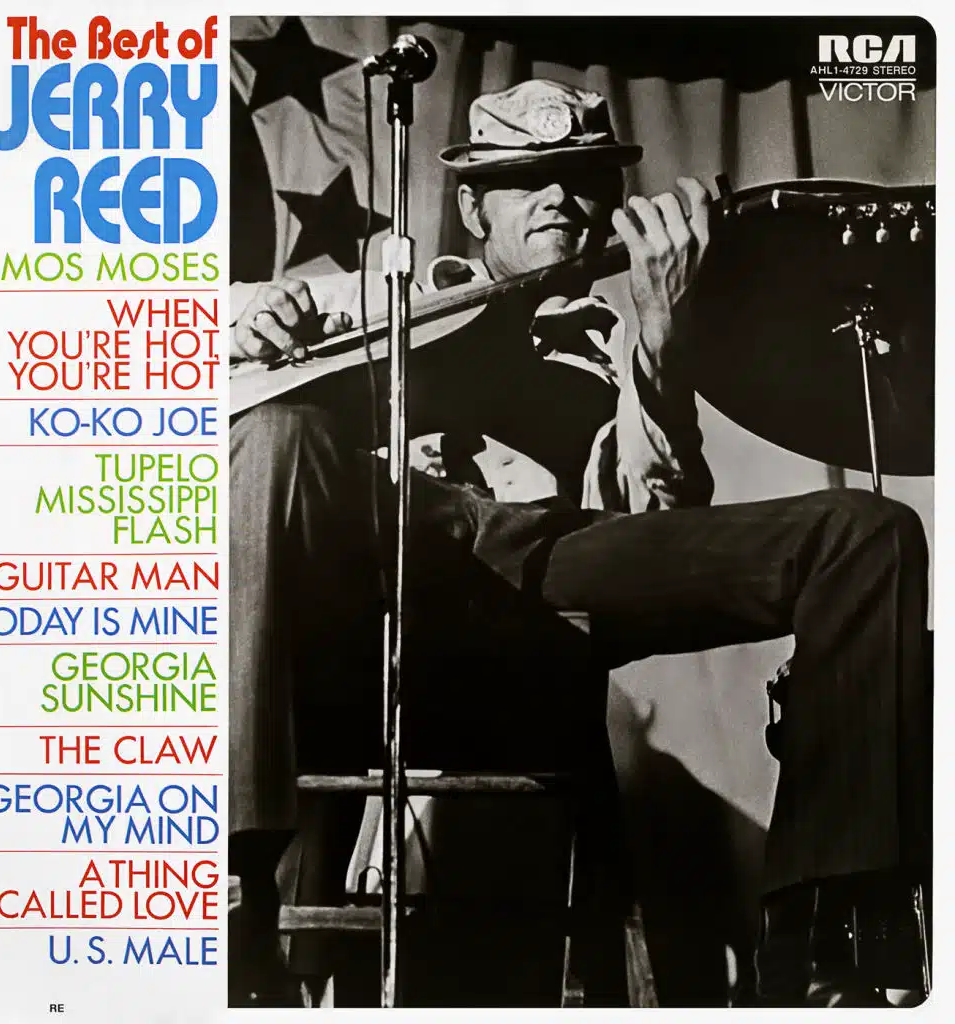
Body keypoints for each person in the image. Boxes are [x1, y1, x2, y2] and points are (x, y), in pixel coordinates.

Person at [228, 80, 930, 1007]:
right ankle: (228, 885)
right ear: (474, 208)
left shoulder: (614, 344)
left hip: (537, 576)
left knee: (868, 532)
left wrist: (664, 332)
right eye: (528, 179)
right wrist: (242, 328)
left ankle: (828, 939)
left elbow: (654, 517)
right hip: (368, 588)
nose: (560, 197)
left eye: (585, 180)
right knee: (273, 431)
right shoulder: (372, 299)